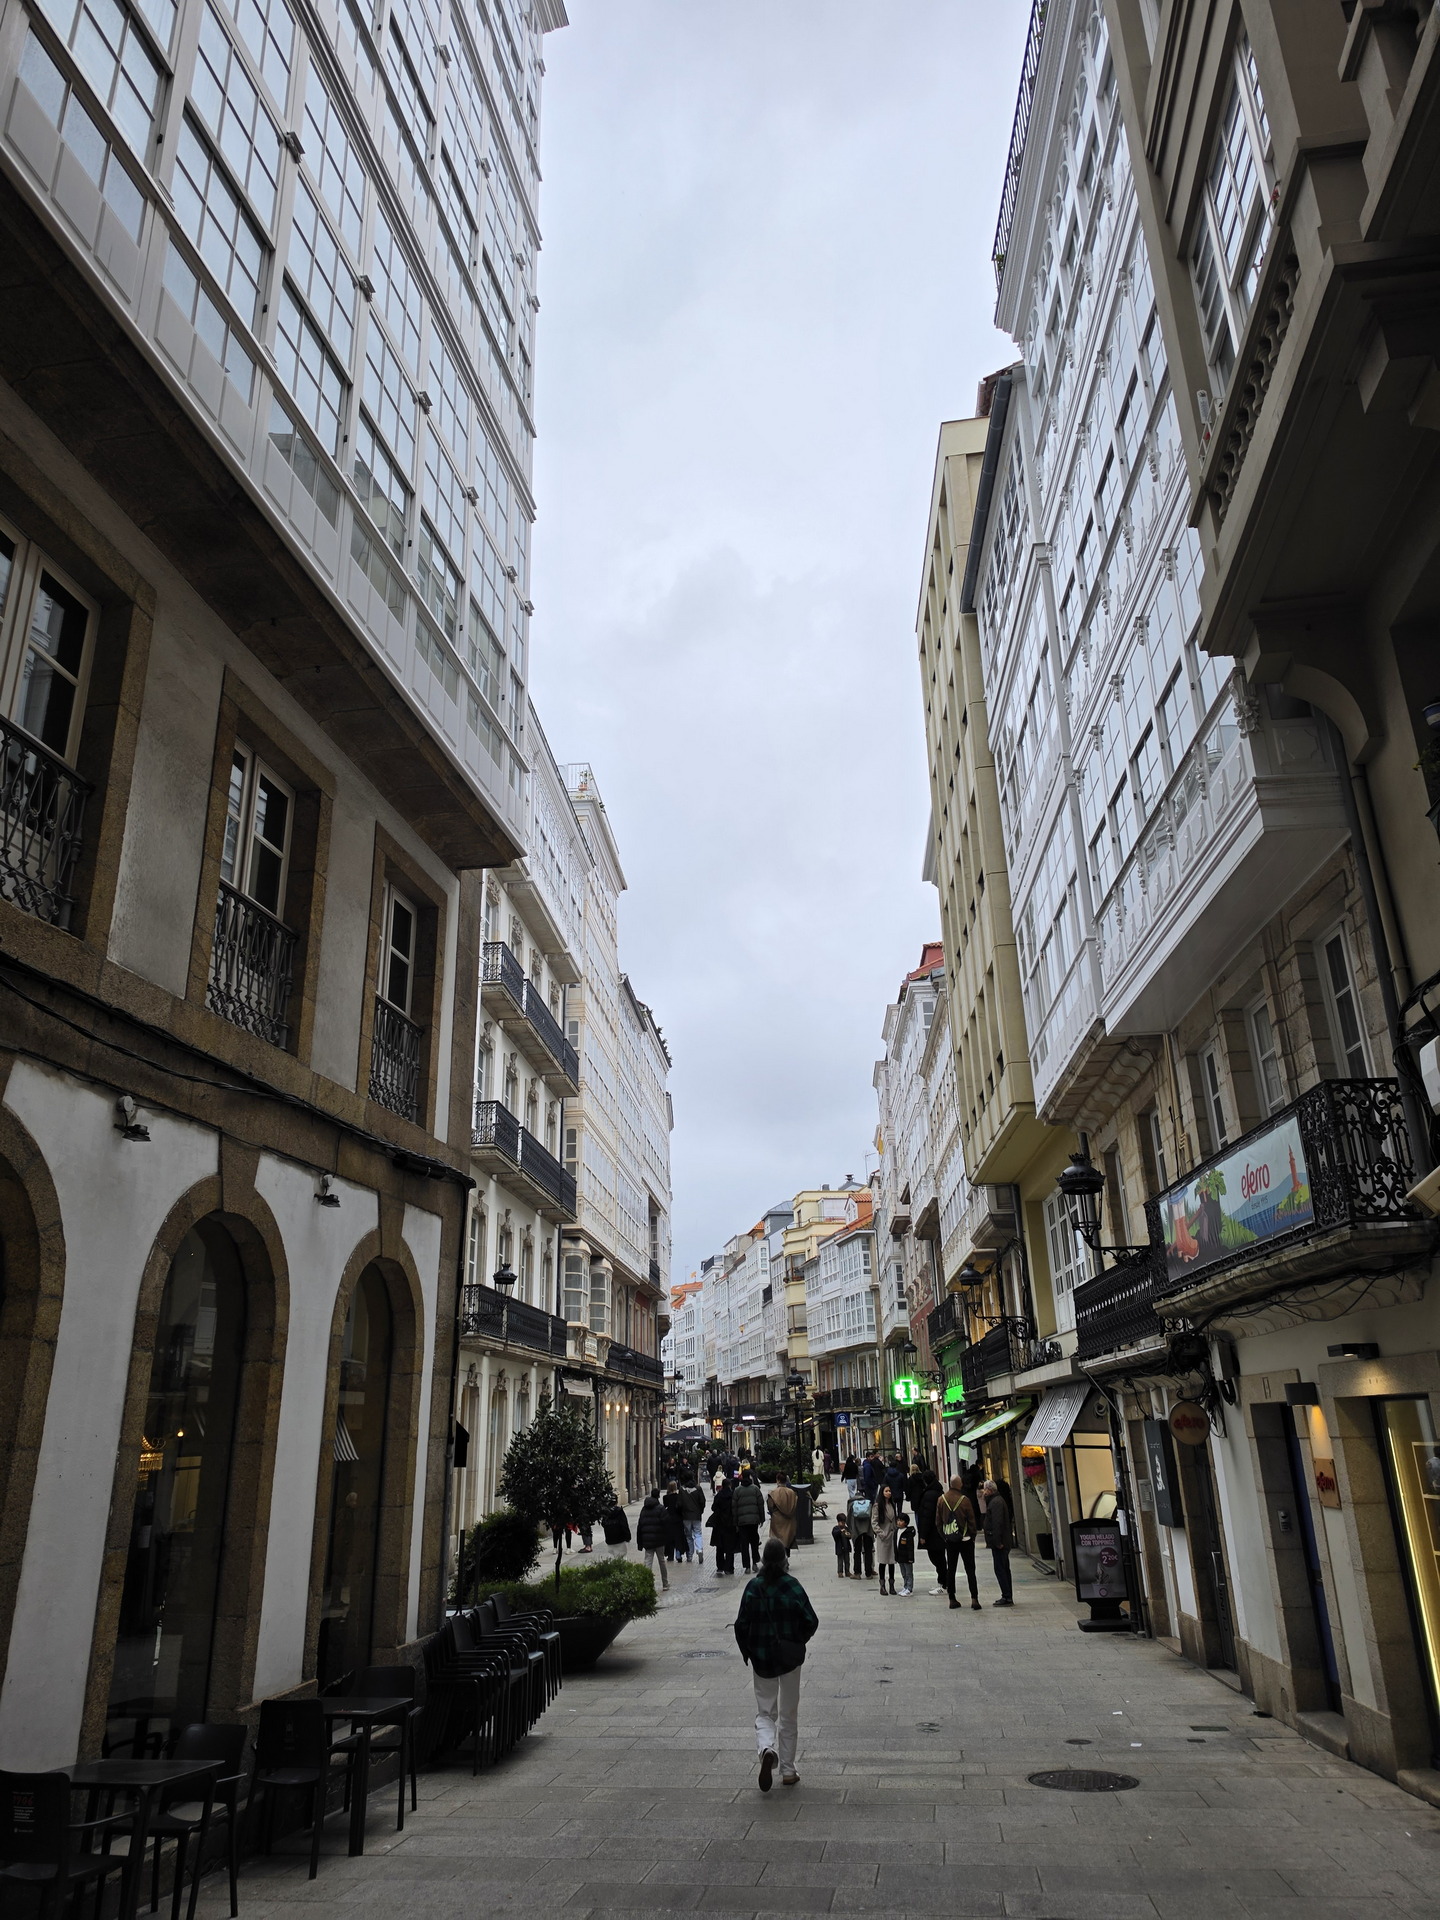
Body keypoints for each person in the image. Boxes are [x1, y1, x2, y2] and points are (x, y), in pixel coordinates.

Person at [734, 1538, 819, 1791]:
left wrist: (748, 1651)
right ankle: (789, 1770)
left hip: (762, 1658)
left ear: (762, 1560)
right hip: (789, 1658)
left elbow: (741, 1624)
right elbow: (811, 1620)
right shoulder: (792, 1586)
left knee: (765, 1712)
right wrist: (796, 1640)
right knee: (789, 1713)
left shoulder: (753, 1587)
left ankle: (767, 1749)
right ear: (784, 1560)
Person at [936, 1475, 981, 1611]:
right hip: (965, 1539)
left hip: (950, 1540)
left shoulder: (941, 1499)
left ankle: (952, 1598)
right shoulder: (965, 1500)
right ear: (959, 1484)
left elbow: (938, 1522)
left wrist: (945, 1536)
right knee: (970, 1569)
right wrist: (972, 1535)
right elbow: (972, 1520)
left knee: (951, 1569)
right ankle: (974, 1599)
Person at [982, 1478, 1015, 1606]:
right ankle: (1007, 1595)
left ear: (990, 1490)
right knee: (1003, 1568)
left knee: (1001, 1569)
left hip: (1000, 1543)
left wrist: (997, 1541)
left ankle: (1006, 1596)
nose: (983, 1492)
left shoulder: (996, 1502)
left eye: (985, 1489)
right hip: (1000, 1541)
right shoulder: (995, 1501)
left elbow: (997, 1523)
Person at [916, 1470, 944, 1595]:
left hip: (932, 1532)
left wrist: (923, 1535)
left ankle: (943, 1583)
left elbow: (926, 1516)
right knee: (940, 1557)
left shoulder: (929, 1495)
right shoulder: (939, 1491)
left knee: (936, 1558)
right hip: (939, 1531)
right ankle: (943, 1581)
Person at [732, 1468, 766, 1572]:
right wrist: (762, 1518)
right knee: (754, 1542)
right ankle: (755, 1562)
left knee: (744, 1544)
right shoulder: (755, 1489)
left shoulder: (737, 1490)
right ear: (750, 1477)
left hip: (742, 1522)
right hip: (754, 1521)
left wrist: (735, 1522)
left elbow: (734, 1507)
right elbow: (760, 1504)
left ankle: (747, 1566)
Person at [636, 1490, 670, 1590]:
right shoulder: (661, 1508)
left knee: (648, 1562)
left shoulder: (644, 1509)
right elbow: (666, 1524)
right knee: (662, 1561)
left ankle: (646, 1584)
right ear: (658, 1496)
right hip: (659, 1540)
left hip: (647, 1541)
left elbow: (640, 1525)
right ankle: (665, 1584)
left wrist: (640, 1542)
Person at [709, 1476, 738, 1575]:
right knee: (730, 1546)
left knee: (720, 1546)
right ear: (730, 1485)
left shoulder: (718, 1496)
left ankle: (720, 1566)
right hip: (730, 1524)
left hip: (719, 1524)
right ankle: (729, 1568)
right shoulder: (733, 1495)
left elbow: (713, 1508)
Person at [873, 1485, 899, 1594]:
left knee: (892, 1562)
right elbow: (874, 1522)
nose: (889, 1493)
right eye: (886, 1491)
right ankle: (882, 1585)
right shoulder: (877, 1506)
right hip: (883, 1537)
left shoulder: (892, 1504)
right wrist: (881, 1533)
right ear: (882, 1493)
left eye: (889, 1491)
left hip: (892, 1536)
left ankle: (892, 1585)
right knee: (883, 1562)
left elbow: (894, 1519)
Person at [847, 1485, 875, 1579]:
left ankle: (857, 1573)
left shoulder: (851, 1503)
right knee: (868, 1551)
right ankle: (869, 1573)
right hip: (868, 1529)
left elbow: (848, 1519)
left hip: (856, 1530)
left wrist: (850, 1529)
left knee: (857, 1551)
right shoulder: (868, 1503)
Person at [679, 1477, 707, 1564]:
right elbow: (702, 1501)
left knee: (688, 1536)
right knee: (698, 1534)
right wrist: (700, 1511)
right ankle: (699, 1549)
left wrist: (681, 1512)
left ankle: (690, 1555)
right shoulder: (698, 1488)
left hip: (686, 1516)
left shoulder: (682, 1489)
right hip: (696, 1515)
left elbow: (679, 1503)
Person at [767, 1471, 798, 1549]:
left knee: (777, 1544)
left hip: (777, 1521)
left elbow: (770, 1507)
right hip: (789, 1521)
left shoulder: (773, 1493)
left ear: (777, 1480)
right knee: (788, 1542)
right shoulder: (792, 1493)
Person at [662, 1480, 689, 1562]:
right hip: (678, 1518)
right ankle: (678, 1554)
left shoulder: (665, 1497)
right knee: (678, 1537)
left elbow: (665, 1507)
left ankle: (670, 1555)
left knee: (670, 1537)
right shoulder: (679, 1497)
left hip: (669, 1519)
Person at [895, 1508, 916, 1595]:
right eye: (898, 1520)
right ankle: (905, 1586)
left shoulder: (908, 1533)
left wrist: (911, 1558)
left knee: (908, 1573)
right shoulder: (897, 1531)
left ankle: (909, 1588)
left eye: (901, 1521)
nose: (899, 1522)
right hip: (900, 1556)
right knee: (903, 1573)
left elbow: (910, 1546)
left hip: (907, 1557)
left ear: (906, 1523)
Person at [831, 1512, 851, 1578]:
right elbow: (834, 1534)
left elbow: (850, 1536)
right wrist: (840, 1531)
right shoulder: (836, 1528)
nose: (843, 1524)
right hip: (839, 1547)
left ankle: (847, 1571)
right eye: (842, 1522)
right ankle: (840, 1572)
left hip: (846, 1547)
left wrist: (848, 1534)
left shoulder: (846, 1528)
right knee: (840, 1561)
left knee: (847, 1560)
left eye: (844, 1522)